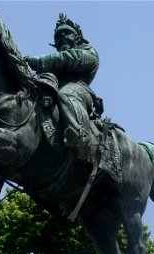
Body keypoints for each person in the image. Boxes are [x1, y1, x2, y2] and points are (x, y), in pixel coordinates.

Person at [26, 13, 100, 160]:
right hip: (53, 89)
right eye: (58, 36)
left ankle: (81, 139)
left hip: (79, 90)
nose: (62, 37)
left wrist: (39, 62)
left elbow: (72, 59)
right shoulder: (52, 64)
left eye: (67, 33)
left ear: (77, 37)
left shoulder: (88, 52)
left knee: (65, 94)